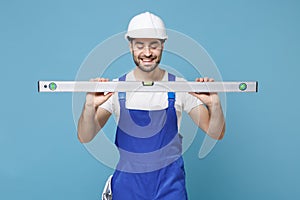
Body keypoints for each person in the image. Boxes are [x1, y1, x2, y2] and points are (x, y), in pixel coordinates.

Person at [77, 11, 225, 200]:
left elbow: (216, 133)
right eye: (140, 45)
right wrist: (89, 106)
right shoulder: (115, 89)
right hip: (127, 189)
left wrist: (215, 106)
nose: (147, 53)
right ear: (130, 46)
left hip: (170, 189)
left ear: (163, 45)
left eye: (154, 45)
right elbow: (85, 135)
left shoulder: (180, 87)